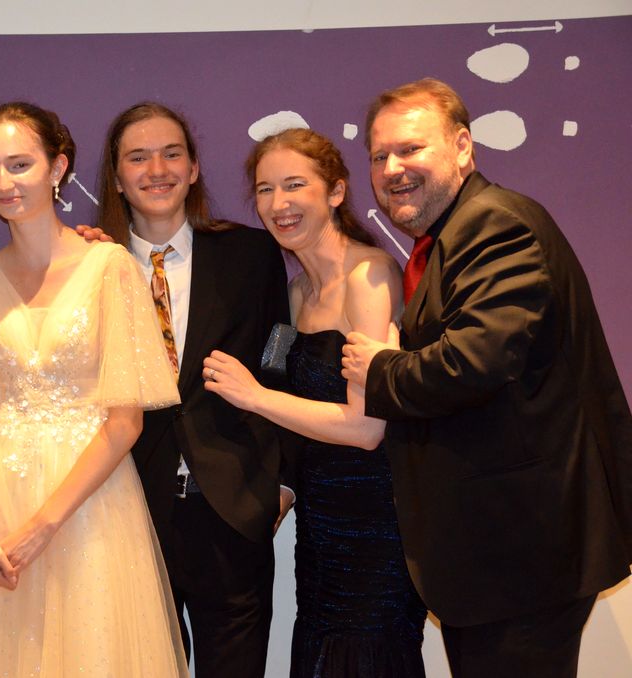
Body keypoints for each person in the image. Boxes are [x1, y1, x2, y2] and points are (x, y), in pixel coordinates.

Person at [340, 78, 632, 678]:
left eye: (410, 149)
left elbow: (474, 362)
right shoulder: (451, 235)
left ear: (463, 146)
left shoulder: (493, 224)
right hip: (499, 560)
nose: (391, 169)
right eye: (378, 155)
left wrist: (380, 368)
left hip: (524, 557)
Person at [0, 101, 187, 676]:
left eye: (20, 164)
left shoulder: (110, 267)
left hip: (89, 504)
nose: (4, 183)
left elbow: (125, 422)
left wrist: (45, 523)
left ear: (57, 167)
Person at [201, 128, 426, 677]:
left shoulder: (370, 276)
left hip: (378, 522)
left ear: (336, 191)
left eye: (295, 185)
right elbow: (284, 392)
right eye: (265, 189)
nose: (278, 203)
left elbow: (365, 429)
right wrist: (282, 488)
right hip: (319, 524)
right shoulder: (297, 292)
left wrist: (254, 397)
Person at [94, 102, 291, 677]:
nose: (157, 169)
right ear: (117, 177)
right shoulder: (89, 266)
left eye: (171, 153)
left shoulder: (251, 254)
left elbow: (280, 362)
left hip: (232, 510)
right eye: (138, 157)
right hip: (130, 511)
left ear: (194, 167)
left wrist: (282, 484)